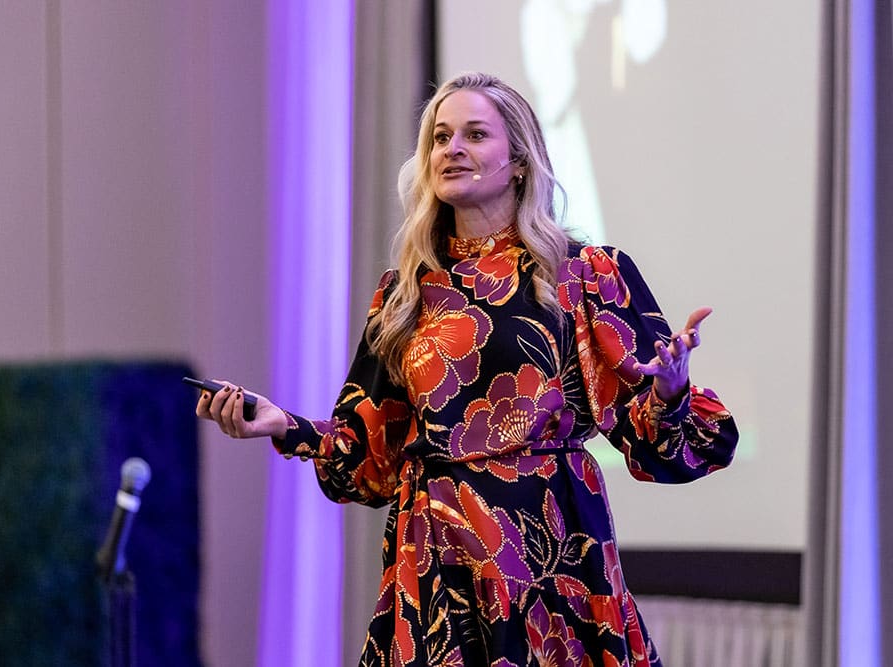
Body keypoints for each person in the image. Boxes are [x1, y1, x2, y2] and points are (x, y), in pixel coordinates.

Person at [196, 72, 738, 666]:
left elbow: (658, 446)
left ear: (520, 162)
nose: (451, 149)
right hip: (436, 554)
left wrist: (671, 392)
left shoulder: (584, 274)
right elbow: (367, 459)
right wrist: (284, 426)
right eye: (440, 137)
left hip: (546, 551)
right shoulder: (405, 294)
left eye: (475, 135)